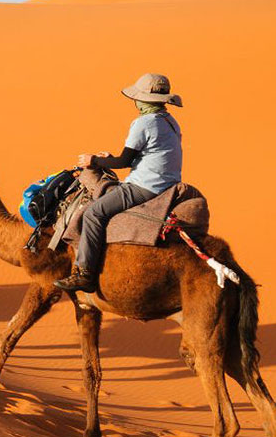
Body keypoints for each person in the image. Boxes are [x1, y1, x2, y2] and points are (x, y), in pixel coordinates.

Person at [55, 73, 184, 294]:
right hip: (168, 183)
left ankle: (84, 273)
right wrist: (109, 158)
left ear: (142, 100)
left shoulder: (143, 123)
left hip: (145, 186)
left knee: (93, 213)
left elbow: (124, 161)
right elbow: (147, 154)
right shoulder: (169, 121)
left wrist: (93, 160)